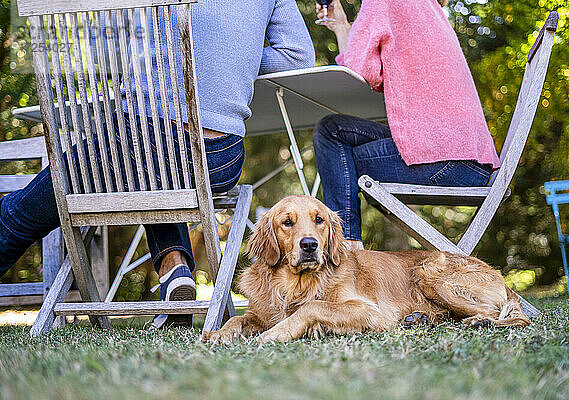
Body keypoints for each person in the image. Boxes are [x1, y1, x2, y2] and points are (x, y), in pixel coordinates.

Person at [0, 0, 315, 328]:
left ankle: (172, 265)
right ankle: (174, 266)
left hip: (138, 144)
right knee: (158, 171)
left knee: (16, 214)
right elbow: (298, 55)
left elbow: (107, 44)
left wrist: (197, 52)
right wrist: (235, 58)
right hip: (220, 159)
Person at [313, 0, 500, 250]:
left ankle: (346, 248)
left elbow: (361, 71)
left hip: (446, 159)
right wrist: (342, 26)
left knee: (335, 153)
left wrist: (344, 29)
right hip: (470, 158)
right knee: (333, 130)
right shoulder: (427, 6)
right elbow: (368, 71)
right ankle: (347, 242)